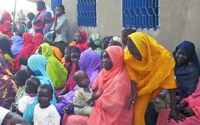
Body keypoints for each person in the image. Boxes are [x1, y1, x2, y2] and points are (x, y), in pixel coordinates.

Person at [124, 32, 184, 125]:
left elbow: (170, 83)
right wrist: (135, 92)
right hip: (139, 87)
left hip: (155, 85)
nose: (136, 58)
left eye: (138, 54)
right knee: (136, 115)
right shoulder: (129, 55)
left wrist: (173, 109)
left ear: (145, 48)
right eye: (133, 55)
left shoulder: (163, 56)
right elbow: (131, 74)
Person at [62, 46, 133, 125]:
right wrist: (76, 104)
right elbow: (92, 91)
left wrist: (85, 104)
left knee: (73, 120)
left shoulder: (120, 80)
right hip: (96, 108)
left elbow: (112, 106)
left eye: (108, 58)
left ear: (117, 59)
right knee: (67, 114)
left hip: (110, 116)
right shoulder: (104, 72)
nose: (104, 61)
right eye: (103, 58)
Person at [57, 50, 101, 118]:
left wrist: (65, 101)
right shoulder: (86, 72)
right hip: (75, 98)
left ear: (88, 62)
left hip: (80, 103)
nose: (80, 61)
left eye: (81, 59)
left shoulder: (94, 75)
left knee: (58, 108)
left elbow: (84, 95)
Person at [23, 54, 56, 124]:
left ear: (34, 66)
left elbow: (34, 105)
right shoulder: (40, 79)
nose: (27, 67)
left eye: (28, 64)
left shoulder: (40, 83)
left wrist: (21, 116)